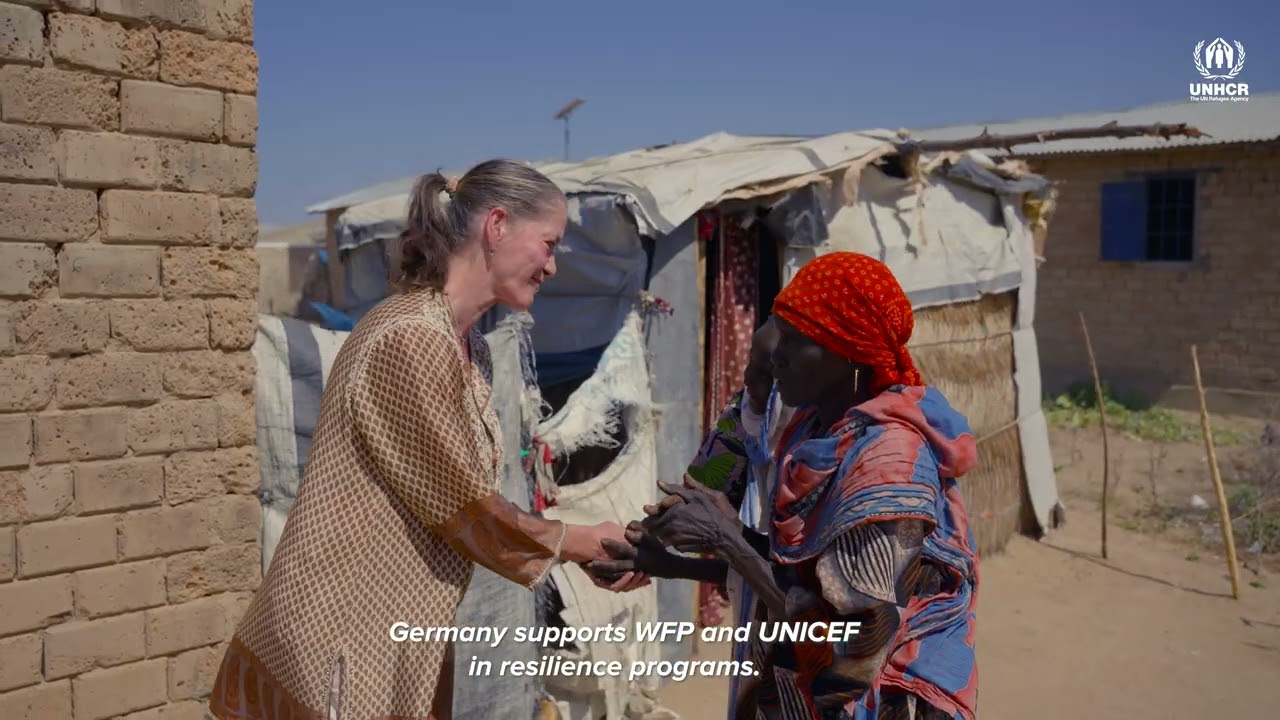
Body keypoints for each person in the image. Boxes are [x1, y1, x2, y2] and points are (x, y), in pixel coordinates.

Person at [208, 160, 627, 720]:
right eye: (548, 244)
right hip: (339, 639)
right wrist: (582, 542)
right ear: (497, 226)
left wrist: (580, 548)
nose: (552, 266)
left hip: (394, 637)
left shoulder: (466, 347)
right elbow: (465, 508)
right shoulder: (411, 338)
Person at [638, 252, 980, 720]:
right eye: (756, 365)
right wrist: (666, 555)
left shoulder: (881, 462)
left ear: (848, 349)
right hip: (779, 634)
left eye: (793, 342)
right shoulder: (787, 424)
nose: (770, 366)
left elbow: (852, 642)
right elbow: (712, 488)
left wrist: (725, 537)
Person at [586, 317, 794, 718]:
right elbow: (753, 557)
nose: (749, 377)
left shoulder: (841, 457)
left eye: (768, 370)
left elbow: (806, 599)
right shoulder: (745, 419)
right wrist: (658, 559)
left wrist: (723, 539)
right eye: (750, 361)